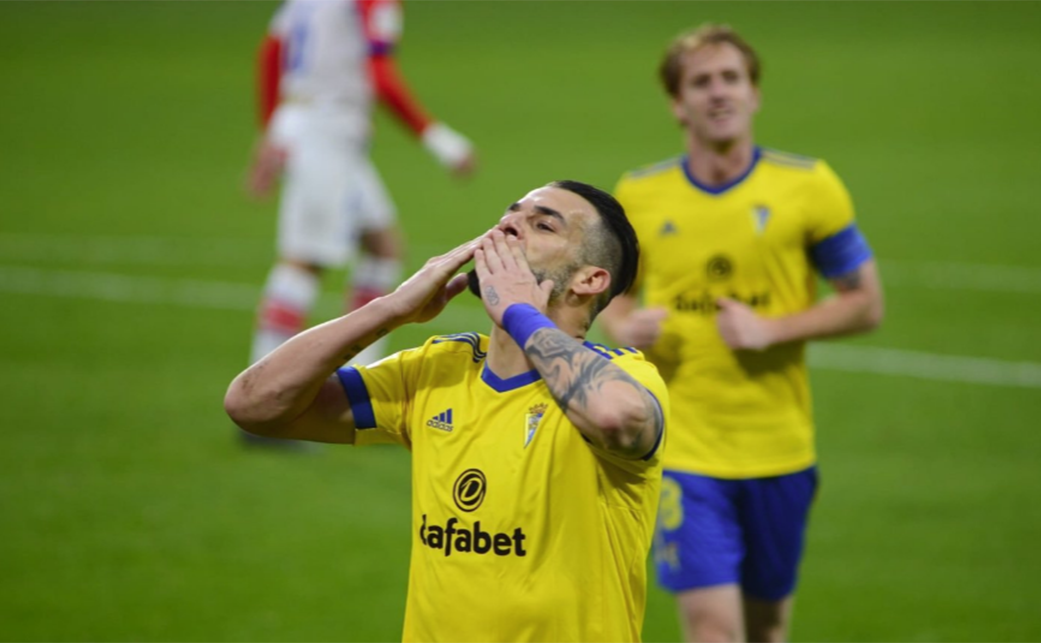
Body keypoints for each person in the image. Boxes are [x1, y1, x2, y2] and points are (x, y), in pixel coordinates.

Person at [225, 180, 669, 643]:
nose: (509, 226)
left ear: (589, 280)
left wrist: (519, 314)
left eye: (543, 226)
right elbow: (254, 404)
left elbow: (616, 417)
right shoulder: (436, 371)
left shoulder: (624, 377)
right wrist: (390, 310)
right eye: (511, 214)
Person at [600, 24, 884, 643]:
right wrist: (625, 323)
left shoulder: (809, 187)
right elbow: (610, 298)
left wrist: (771, 329)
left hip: (780, 449)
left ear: (754, 93)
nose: (718, 91)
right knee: (714, 633)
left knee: (767, 631)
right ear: (678, 104)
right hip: (683, 448)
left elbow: (866, 303)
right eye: (701, 82)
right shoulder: (639, 195)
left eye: (731, 78)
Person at [245, 0, 476, 381]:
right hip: (326, 134)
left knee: (383, 249)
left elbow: (271, 51)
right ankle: (263, 385)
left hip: (314, 129)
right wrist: (441, 141)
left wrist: (272, 131)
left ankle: (360, 377)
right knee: (304, 261)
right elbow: (380, 75)